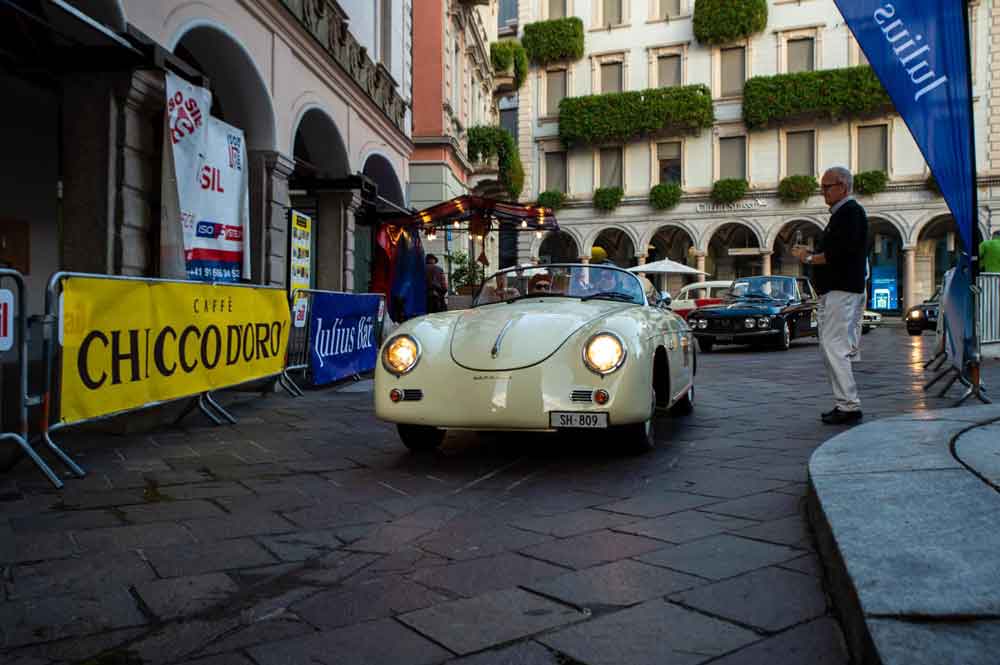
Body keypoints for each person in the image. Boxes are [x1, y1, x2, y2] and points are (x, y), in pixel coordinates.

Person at [792, 166, 869, 425]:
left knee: (833, 346)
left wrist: (809, 257)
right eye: (822, 187)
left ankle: (848, 404)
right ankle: (844, 402)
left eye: (827, 186)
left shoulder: (849, 213)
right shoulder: (845, 214)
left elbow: (839, 253)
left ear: (843, 187)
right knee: (833, 346)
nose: (822, 191)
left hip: (841, 289)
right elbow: (839, 250)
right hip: (841, 288)